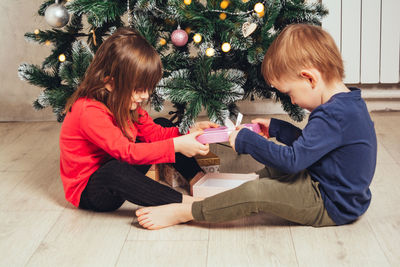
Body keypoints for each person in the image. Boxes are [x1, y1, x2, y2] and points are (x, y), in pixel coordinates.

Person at [135, 24, 377, 229]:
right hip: (326, 183)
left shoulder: (333, 115)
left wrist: (248, 142)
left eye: (290, 93)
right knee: (269, 175)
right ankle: (226, 199)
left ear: (310, 78)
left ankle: (189, 212)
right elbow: (314, 146)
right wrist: (278, 129)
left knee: (256, 193)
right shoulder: (345, 106)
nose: (292, 101)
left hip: (330, 203)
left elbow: (294, 160)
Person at [59, 27, 218, 212]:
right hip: (93, 190)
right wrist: (176, 145)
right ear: (110, 83)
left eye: (148, 88)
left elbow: (155, 134)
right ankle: (183, 203)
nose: (145, 95)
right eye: (139, 89)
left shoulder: (125, 102)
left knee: (162, 125)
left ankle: (197, 180)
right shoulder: (87, 111)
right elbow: (126, 153)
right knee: (115, 172)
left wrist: (188, 133)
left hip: (119, 164)